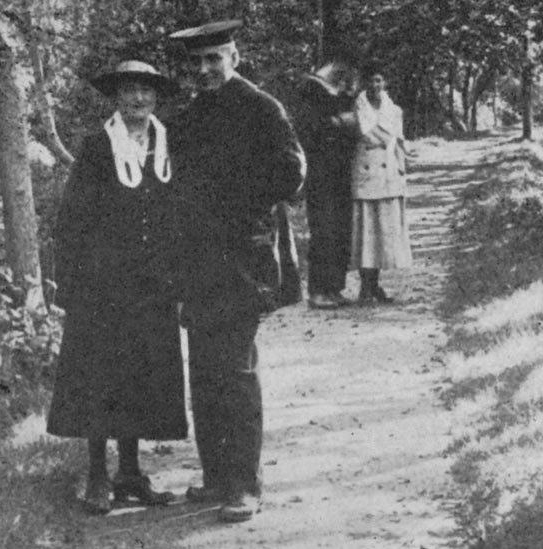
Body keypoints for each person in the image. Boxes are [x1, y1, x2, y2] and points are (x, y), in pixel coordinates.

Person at [167, 20, 306, 522]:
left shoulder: (263, 108)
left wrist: (236, 199)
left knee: (235, 371)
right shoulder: (187, 118)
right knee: (203, 372)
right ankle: (215, 477)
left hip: (244, 261)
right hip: (197, 262)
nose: (204, 70)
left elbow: (292, 175)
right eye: (196, 63)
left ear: (234, 57)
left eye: (213, 59)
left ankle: (245, 485)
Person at [46, 60, 186, 515]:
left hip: (151, 286)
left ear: (156, 97)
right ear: (116, 98)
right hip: (102, 287)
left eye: (145, 91)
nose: (137, 100)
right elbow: (72, 220)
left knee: (139, 377)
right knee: (100, 377)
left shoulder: (167, 144)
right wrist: (72, 281)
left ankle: (130, 474)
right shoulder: (96, 146)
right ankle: (98, 476)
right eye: (128, 92)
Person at [293, 61, 361, 309]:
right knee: (324, 232)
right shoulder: (311, 115)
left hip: (340, 175)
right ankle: (318, 290)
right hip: (320, 177)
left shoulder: (341, 110)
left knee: (341, 231)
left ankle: (334, 287)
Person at [349, 60, 412, 303]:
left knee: (383, 234)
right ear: (364, 84)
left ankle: (375, 286)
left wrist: (402, 171)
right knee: (366, 233)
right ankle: (366, 286)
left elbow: (399, 142)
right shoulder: (355, 109)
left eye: (379, 80)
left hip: (387, 178)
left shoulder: (394, 111)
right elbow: (358, 137)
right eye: (370, 80)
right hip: (365, 176)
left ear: (384, 82)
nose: (375, 85)